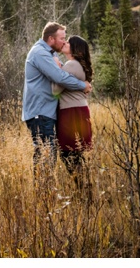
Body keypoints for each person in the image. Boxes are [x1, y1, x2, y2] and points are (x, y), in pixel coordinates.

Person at [22, 22, 92, 169]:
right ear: (51, 39)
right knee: (46, 153)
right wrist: (83, 85)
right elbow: (61, 78)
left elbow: (63, 74)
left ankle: (51, 188)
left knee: (53, 152)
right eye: (62, 38)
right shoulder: (40, 53)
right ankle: (43, 189)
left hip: (48, 113)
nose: (64, 42)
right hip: (40, 113)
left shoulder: (51, 54)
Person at [52, 35, 94, 188]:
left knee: (68, 153)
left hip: (71, 112)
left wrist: (57, 68)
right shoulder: (76, 66)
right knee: (75, 154)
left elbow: (55, 90)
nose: (65, 43)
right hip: (78, 111)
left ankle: (83, 188)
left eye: (68, 42)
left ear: (75, 49)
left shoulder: (71, 65)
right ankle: (85, 187)